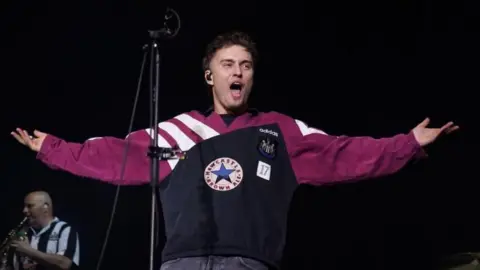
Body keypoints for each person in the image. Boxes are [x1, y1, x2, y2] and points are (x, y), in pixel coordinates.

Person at [11, 31, 458, 270]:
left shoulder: (279, 131)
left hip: (248, 261)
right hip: (181, 263)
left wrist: (405, 145)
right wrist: (51, 148)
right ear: (211, 76)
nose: (237, 72)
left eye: (245, 65)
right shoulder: (179, 131)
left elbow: (341, 153)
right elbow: (113, 154)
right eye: (228, 64)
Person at [7, 191, 80, 270]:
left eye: (30, 206)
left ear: (45, 207)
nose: (24, 210)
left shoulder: (64, 229)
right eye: (24, 206)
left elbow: (64, 264)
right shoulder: (24, 232)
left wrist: (28, 250)